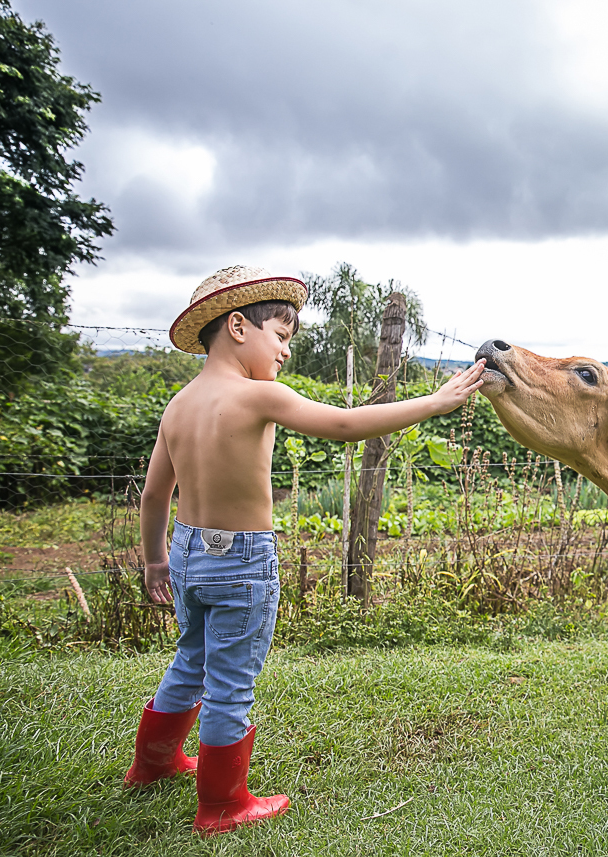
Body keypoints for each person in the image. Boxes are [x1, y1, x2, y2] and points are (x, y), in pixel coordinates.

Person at [122, 265, 484, 836]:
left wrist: (154, 560)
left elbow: (152, 494)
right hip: (240, 561)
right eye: (283, 336)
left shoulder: (179, 404)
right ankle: (222, 805)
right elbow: (343, 424)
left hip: (188, 552)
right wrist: (433, 403)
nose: (287, 351)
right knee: (232, 681)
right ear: (238, 327)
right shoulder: (259, 395)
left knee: (191, 659)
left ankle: (153, 764)